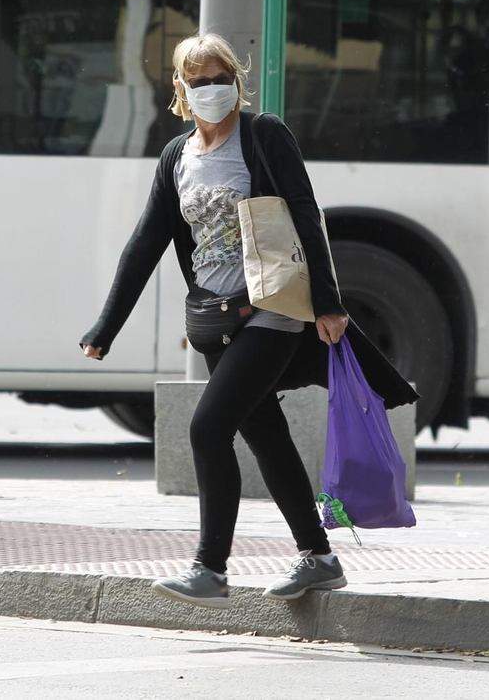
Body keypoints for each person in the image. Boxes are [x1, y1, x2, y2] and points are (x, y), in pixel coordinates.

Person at [79, 32, 418, 609]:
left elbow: (307, 214)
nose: (211, 89)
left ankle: (209, 567)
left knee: (208, 427)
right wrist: (105, 327)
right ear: (180, 90)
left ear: (236, 81)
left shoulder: (263, 135)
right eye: (199, 80)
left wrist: (331, 303)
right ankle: (319, 557)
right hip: (219, 318)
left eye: (221, 78)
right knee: (265, 436)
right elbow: (145, 243)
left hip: (274, 307)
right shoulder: (177, 156)